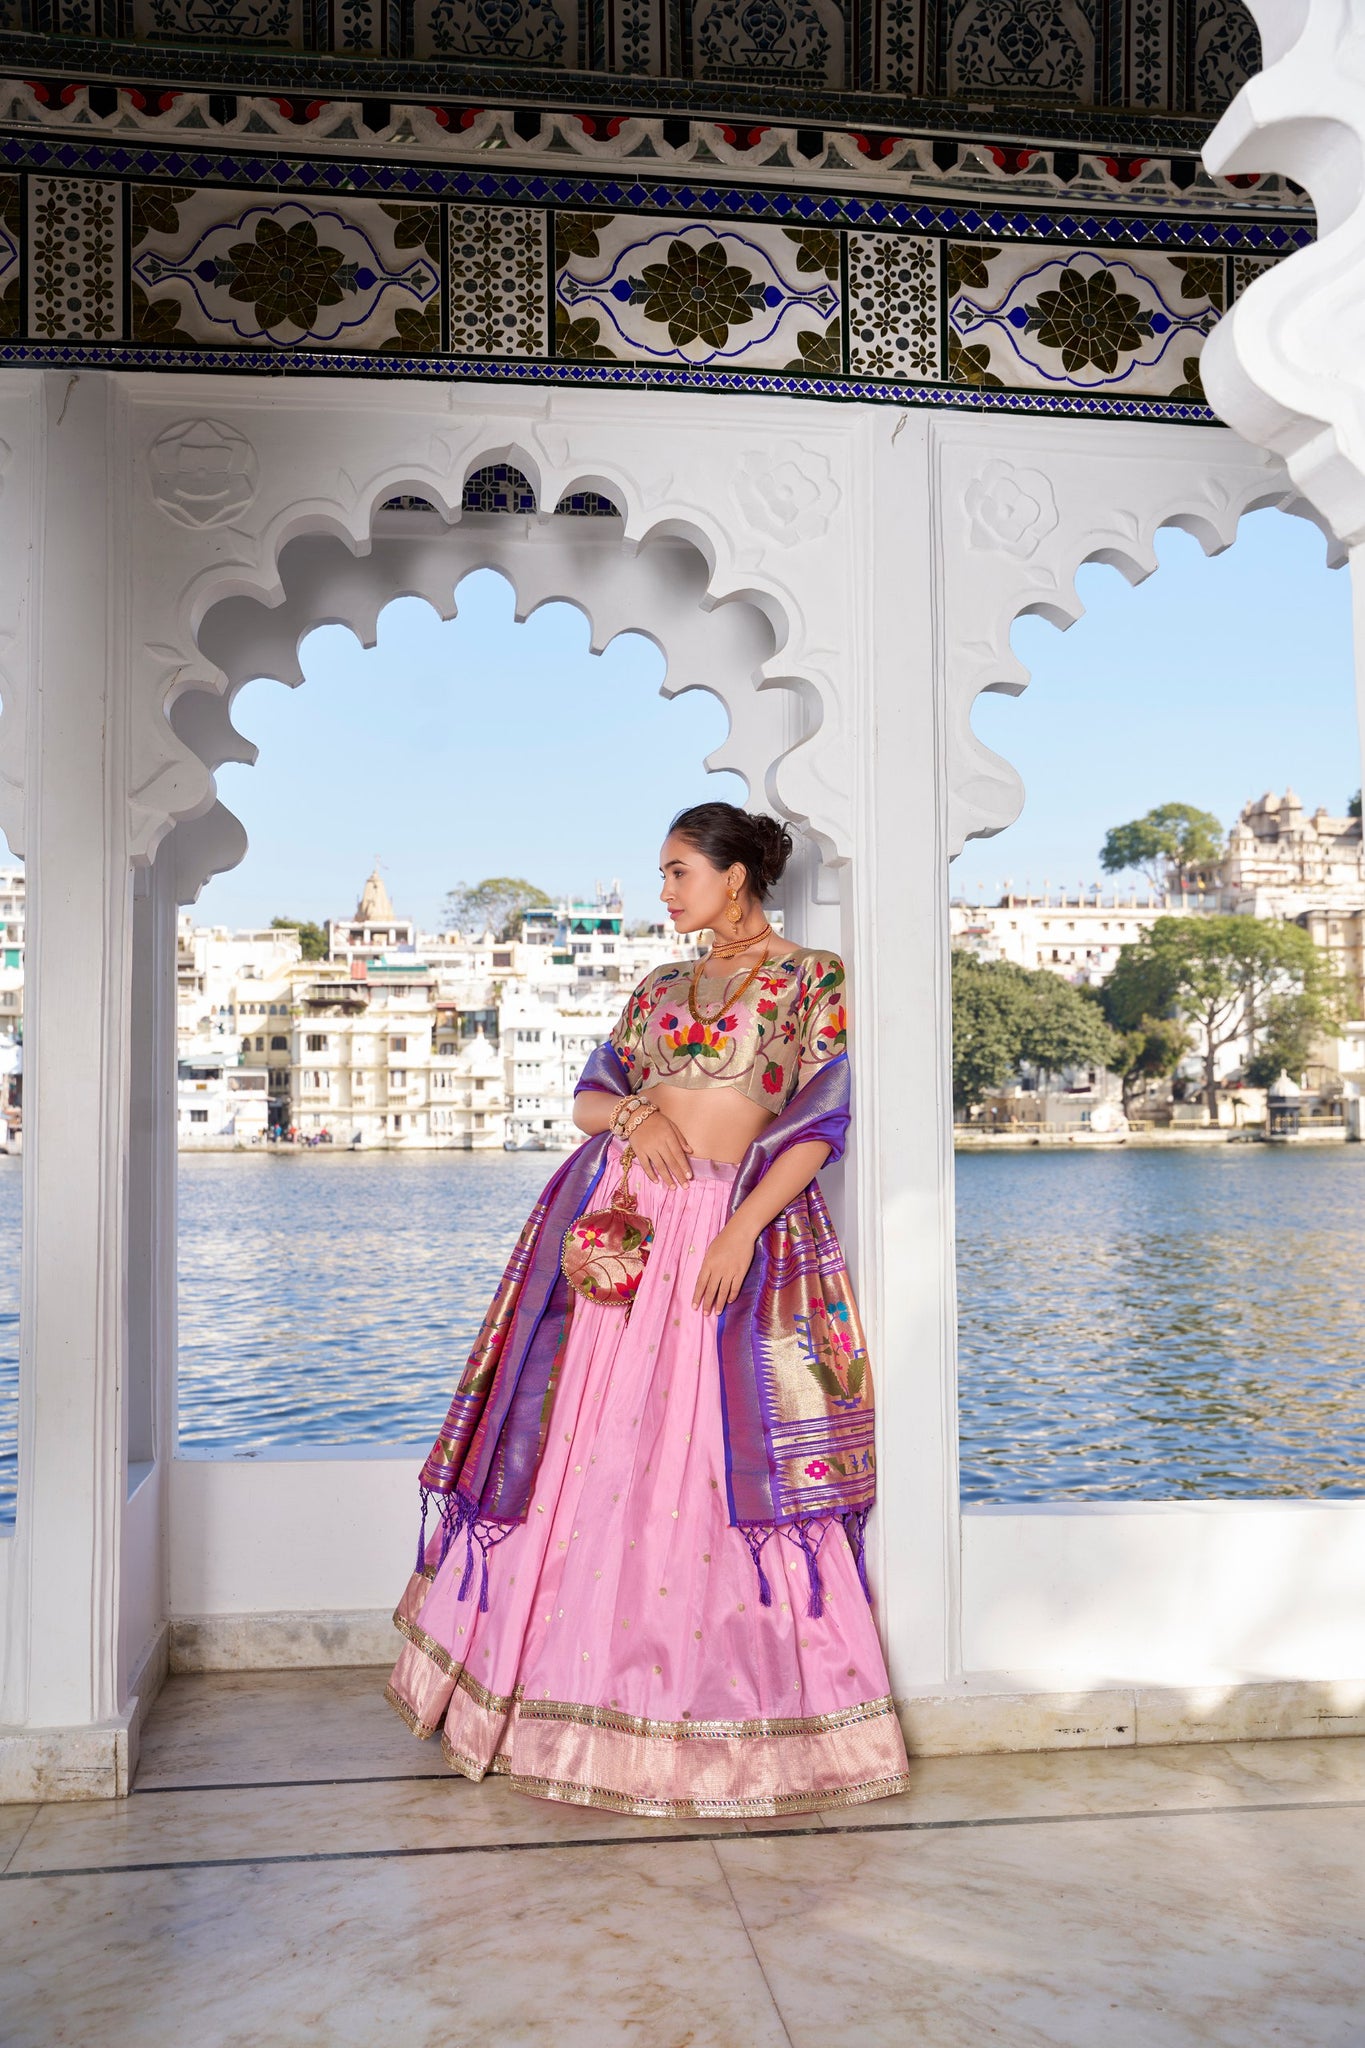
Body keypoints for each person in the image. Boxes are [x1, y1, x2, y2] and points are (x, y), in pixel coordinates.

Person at [385, 802, 909, 1817]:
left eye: (678, 871)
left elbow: (819, 1123)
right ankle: (551, 1697)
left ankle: (706, 1715)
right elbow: (589, 1098)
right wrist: (633, 1115)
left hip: (720, 1226)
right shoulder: (660, 986)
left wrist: (740, 1229)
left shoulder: (811, 978)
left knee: (703, 1451)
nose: (665, 891)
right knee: (594, 1447)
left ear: (734, 876)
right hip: (625, 1232)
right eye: (664, 873)